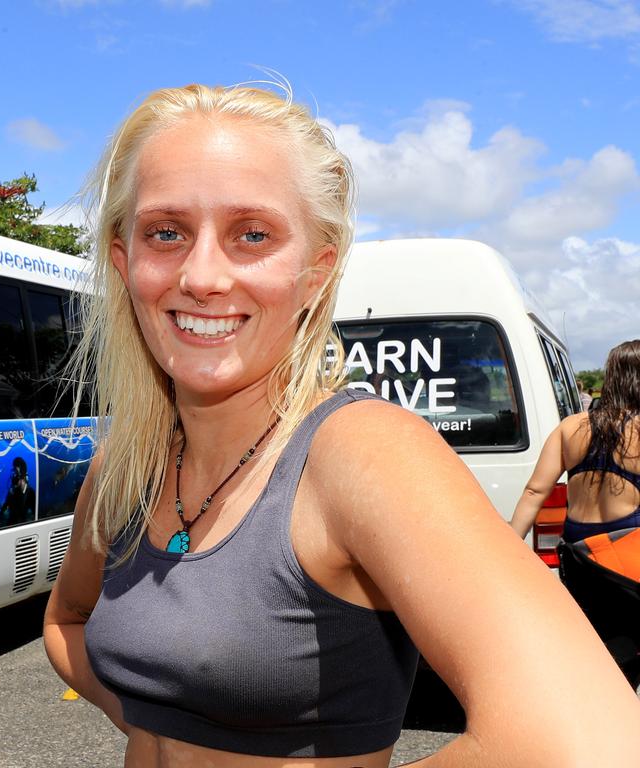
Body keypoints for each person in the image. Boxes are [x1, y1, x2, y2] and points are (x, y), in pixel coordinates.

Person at [43, 84, 640, 767]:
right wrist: (162, 724)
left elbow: (594, 741)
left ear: (315, 274)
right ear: (125, 263)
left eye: (252, 235)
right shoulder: (126, 461)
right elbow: (66, 621)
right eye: (167, 233)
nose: (202, 274)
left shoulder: (362, 451)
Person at [511, 340, 640, 544]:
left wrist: (512, 547)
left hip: (579, 556)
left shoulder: (569, 426)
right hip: (630, 558)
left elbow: (534, 491)